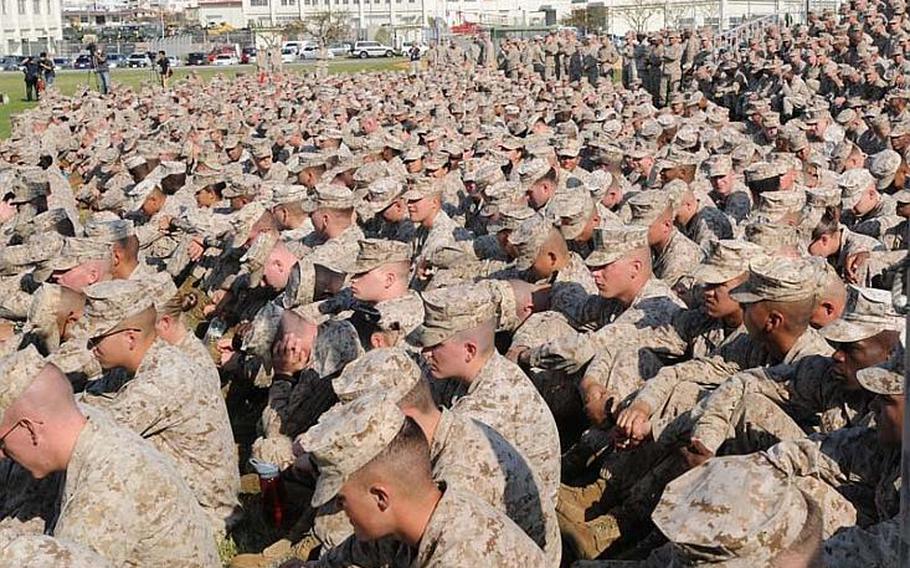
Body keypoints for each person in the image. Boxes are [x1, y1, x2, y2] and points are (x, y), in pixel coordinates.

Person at [0, 346, 219, 566]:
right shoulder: (81, 426)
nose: (2, 454)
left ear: (30, 429)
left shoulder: (108, 489)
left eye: (1, 442)